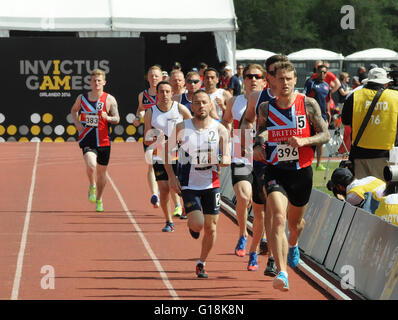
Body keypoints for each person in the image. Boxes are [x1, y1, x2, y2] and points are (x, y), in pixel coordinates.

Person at [254, 61, 330, 291]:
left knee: (295, 224)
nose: (284, 83)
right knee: (277, 217)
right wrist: (258, 144)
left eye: (289, 79)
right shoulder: (266, 108)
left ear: (295, 80)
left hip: (301, 172)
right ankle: (282, 271)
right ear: (272, 81)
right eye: (280, 79)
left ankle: (294, 243)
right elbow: (259, 132)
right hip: (276, 170)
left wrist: (305, 141)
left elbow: (325, 134)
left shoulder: (308, 104)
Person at [165, 90, 231, 278]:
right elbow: (166, 154)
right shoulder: (181, 127)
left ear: (210, 105)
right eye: (197, 103)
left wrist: (219, 158)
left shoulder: (220, 129)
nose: (201, 106)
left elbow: (226, 157)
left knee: (212, 227)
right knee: (198, 224)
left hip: (212, 183)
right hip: (188, 184)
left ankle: (201, 262)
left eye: (204, 102)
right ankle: (192, 224)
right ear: (191, 106)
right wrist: (171, 177)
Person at [241, 54, 289, 278]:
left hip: (292, 161)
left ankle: (293, 244)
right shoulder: (256, 97)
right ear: (268, 76)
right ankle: (272, 258)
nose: (277, 78)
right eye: (272, 73)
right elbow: (247, 121)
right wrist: (250, 144)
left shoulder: (297, 97)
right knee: (270, 209)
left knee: (291, 218)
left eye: (281, 73)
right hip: (265, 160)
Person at [222, 63, 267, 271]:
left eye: (257, 76)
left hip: (262, 159)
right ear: (243, 78)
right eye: (249, 76)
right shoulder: (235, 101)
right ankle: (242, 233)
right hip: (240, 156)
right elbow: (225, 124)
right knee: (243, 197)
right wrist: (225, 147)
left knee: (261, 209)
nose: (253, 79)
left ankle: (256, 246)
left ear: (264, 79)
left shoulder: (270, 101)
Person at [144, 81, 192, 232]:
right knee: (164, 189)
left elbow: (193, 126)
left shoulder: (180, 108)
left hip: (181, 155)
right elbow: (146, 137)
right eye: (161, 92)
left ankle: (188, 210)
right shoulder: (151, 112)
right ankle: (169, 221)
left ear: (172, 93)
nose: (164, 95)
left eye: (167, 91)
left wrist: (181, 137)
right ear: (156, 94)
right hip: (160, 155)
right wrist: (157, 137)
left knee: (183, 187)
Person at [70, 69, 120, 212]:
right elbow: (74, 110)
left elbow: (117, 118)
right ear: (90, 82)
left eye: (99, 81)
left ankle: (99, 199)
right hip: (87, 138)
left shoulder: (110, 99)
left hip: (104, 141)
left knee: (102, 173)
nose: (96, 83)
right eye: (94, 81)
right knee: (91, 165)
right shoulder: (82, 98)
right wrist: (77, 124)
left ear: (104, 82)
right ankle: (92, 185)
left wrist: (108, 118)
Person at [342, 67, 398, 180]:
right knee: (384, 193)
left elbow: (345, 121)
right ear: (385, 83)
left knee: (362, 192)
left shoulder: (354, 96)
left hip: (360, 155)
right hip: (387, 155)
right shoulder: (395, 97)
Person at [133, 65, 162, 208]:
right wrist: (138, 118)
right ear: (147, 78)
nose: (154, 78)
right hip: (150, 135)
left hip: (165, 136)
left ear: (162, 77)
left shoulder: (166, 93)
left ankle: (172, 199)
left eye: (156, 76)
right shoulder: (142, 95)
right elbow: (140, 110)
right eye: (151, 76)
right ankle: (155, 194)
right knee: (151, 165)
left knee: (166, 167)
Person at [303, 64, 332, 171]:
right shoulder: (310, 82)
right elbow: (304, 97)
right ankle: (307, 162)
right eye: (321, 72)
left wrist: (328, 114)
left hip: (322, 116)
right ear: (316, 72)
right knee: (309, 139)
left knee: (321, 140)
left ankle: (319, 164)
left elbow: (328, 100)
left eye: (325, 72)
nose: (322, 74)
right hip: (310, 116)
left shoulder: (326, 85)